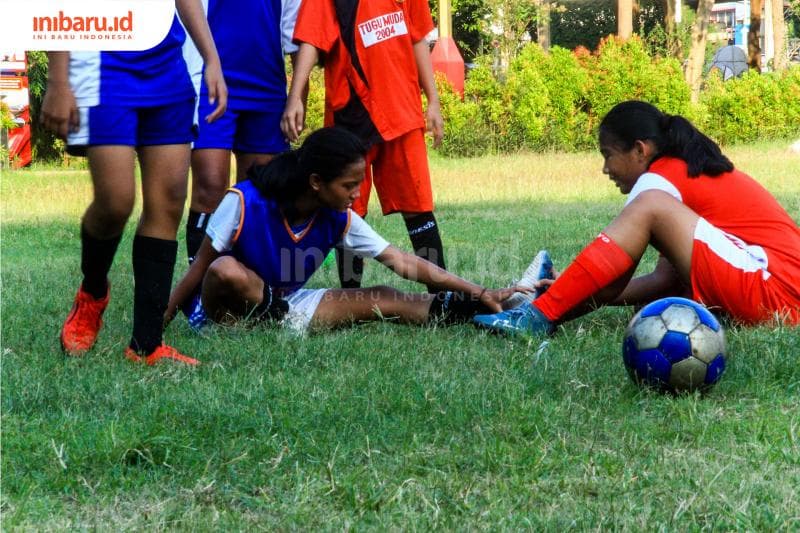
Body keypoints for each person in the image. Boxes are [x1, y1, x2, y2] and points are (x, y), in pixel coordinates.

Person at [474, 100, 800, 336]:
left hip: (776, 293)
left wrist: (552, 307)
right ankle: (540, 312)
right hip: (784, 296)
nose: (606, 169)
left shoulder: (658, 183)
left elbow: (613, 279)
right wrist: (568, 291)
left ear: (640, 150)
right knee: (669, 295)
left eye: (608, 156)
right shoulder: (678, 174)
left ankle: (534, 318)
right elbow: (665, 280)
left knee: (650, 205)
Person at [166, 127, 527, 333]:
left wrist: (479, 290)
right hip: (220, 315)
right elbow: (201, 268)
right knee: (226, 270)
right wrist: (159, 321)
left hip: (284, 309)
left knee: (385, 295)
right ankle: (265, 320)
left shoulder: (340, 216)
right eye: (349, 185)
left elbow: (401, 261)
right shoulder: (244, 201)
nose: (357, 194)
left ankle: (495, 308)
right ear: (316, 182)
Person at [41, 0, 227, 365]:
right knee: (116, 200)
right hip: (100, 61)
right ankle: (93, 291)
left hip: (166, 66)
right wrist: (58, 79)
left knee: (169, 200)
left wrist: (212, 58)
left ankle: (147, 344)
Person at [280, 0, 446, 291]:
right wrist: (296, 96)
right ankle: (351, 295)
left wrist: (433, 100)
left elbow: (418, 37)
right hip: (349, 115)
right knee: (347, 209)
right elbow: (311, 40)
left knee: (418, 206)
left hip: (401, 112)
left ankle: (444, 297)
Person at [184, 0, 303, 269]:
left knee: (257, 193)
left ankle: (246, 284)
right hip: (209, 80)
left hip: (267, 86)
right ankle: (200, 287)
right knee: (209, 185)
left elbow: (296, 33)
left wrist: (298, 97)